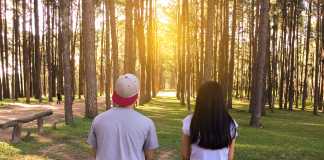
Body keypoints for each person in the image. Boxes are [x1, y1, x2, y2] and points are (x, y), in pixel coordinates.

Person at [87, 73, 159, 160]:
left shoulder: (98, 120)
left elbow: (93, 154)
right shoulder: (147, 123)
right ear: (136, 96)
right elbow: (150, 156)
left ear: (115, 94)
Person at [181, 81, 238, 160]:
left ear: (200, 100)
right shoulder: (231, 124)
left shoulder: (190, 121)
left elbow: (185, 154)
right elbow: (230, 157)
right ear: (221, 100)